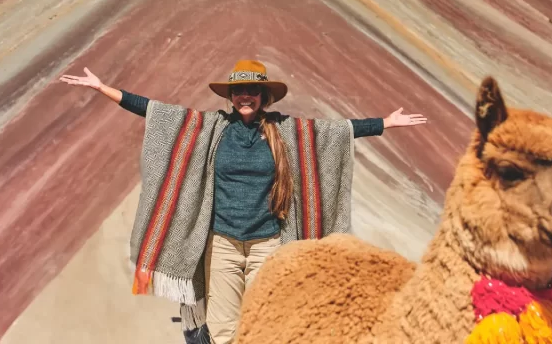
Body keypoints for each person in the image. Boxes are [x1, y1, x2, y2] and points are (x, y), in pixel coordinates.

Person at [59, 59, 426, 344]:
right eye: (238, 91)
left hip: (269, 246)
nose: (245, 97)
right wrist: (102, 88)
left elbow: (334, 131)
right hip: (223, 245)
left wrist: (384, 123)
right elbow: (155, 110)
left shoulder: (285, 131)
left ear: (264, 96)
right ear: (230, 97)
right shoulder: (212, 128)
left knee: (264, 323)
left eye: (252, 90)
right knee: (223, 330)